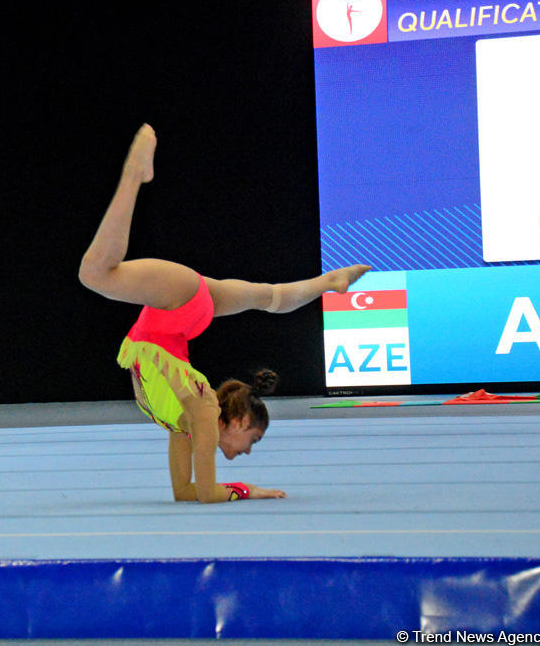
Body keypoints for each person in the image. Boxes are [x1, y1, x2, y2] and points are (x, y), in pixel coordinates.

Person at [77, 124, 370, 503]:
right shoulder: (202, 410)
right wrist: (253, 490)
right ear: (242, 422)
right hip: (178, 306)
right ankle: (135, 176)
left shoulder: (185, 420)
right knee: (96, 273)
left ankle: (329, 281)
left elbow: (186, 493)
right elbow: (209, 494)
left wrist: (230, 489)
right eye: (254, 440)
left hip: (184, 316)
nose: (248, 451)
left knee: (271, 296)